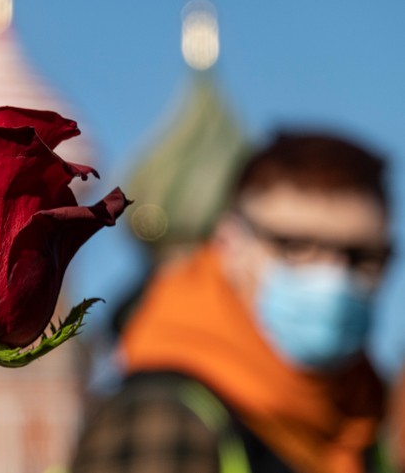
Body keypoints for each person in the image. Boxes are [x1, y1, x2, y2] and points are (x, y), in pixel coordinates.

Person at [71, 131, 395, 473]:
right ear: (230, 243)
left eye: (362, 257)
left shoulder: (364, 416)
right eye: (297, 247)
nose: (333, 277)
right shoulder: (159, 415)